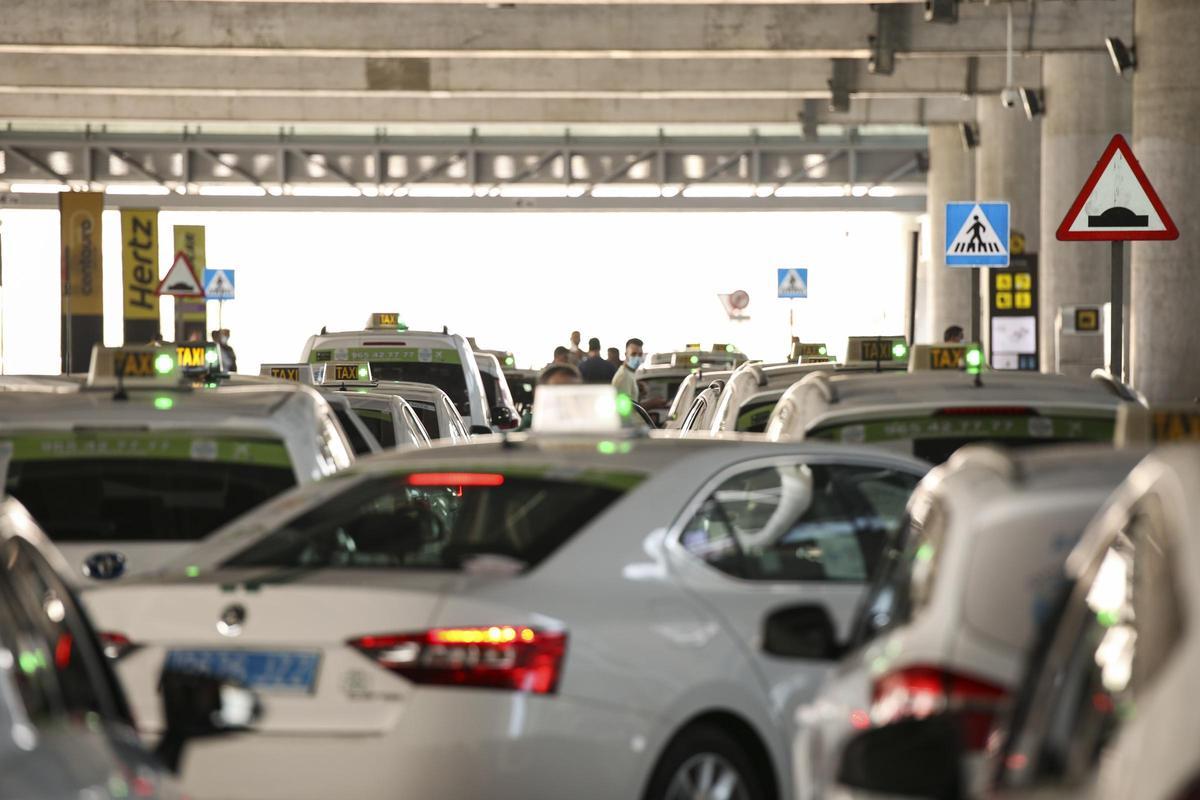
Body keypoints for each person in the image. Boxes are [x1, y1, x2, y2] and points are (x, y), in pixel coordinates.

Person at [518, 363, 583, 430]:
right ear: (538, 394)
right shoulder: (521, 435)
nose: (567, 396)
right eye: (557, 390)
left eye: (574, 390)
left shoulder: (588, 428)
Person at [612, 337, 645, 403]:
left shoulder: (630, 373)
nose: (637, 358)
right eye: (633, 354)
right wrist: (652, 403)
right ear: (626, 354)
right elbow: (625, 410)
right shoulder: (623, 376)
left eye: (640, 354)